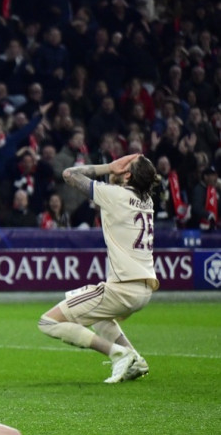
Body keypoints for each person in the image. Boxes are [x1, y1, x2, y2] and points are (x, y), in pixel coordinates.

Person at [38, 153, 158, 383]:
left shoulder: (115, 195)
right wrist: (122, 170)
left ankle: (118, 354)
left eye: (125, 164)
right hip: (144, 289)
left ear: (128, 175)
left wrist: (109, 167)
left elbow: (69, 174)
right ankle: (135, 359)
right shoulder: (147, 201)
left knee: (48, 322)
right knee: (99, 317)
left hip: (122, 288)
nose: (120, 165)